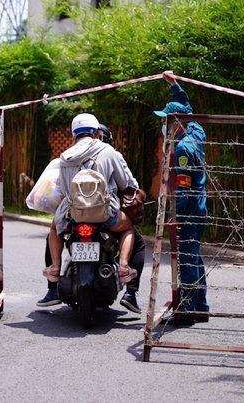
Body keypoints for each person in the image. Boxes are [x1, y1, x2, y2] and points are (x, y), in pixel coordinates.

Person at [37, 124, 145, 314]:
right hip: (105, 214)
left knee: (53, 231)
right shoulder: (110, 152)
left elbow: (61, 188)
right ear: (97, 134)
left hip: (73, 214)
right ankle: (129, 286)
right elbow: (128, 184)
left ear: (73, 134)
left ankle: (52, 287)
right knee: (135, 236)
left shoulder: (66, 155)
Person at [154, 71, 209, 327]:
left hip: (188, 210)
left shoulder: (183, 148)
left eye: (166, 120)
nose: (163, 125)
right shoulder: (196, 130)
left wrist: (173, 218)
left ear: (177, 122)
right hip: (200, 206)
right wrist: (174, 85)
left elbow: (183, 190)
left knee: (187, 257)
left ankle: (186, 308)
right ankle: (201, 307)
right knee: (195, 256)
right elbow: (189, 108)